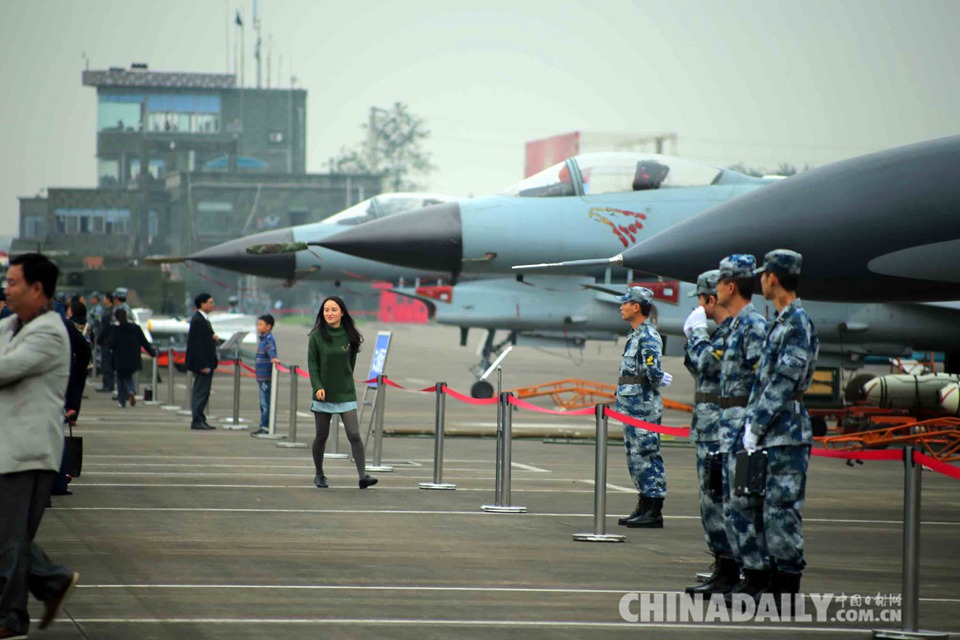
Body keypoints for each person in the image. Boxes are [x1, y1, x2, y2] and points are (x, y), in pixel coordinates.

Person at [0, 253, 80, 638]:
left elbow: (4, 369)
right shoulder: (11, 326)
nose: (6, 288)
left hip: (25, 452)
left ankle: (10, 616)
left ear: (37, 289)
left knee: (7, 539)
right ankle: (50, 581)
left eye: (14, 282)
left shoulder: (49, 331)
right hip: (7, 449)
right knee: (8, 536)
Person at [743, 250, 819, 609]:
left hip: (785, 429)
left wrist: (756, 426)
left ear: (773, 278)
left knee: (782, 509)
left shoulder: (796, 323)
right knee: (767, 509)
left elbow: (784, 381)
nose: (761, 280)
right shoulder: (782, 321)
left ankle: (786, 587)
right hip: (775, 430)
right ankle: (773, 579)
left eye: (764, 275)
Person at [710, 254, 769, 605]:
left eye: (720, 282)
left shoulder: (753, 327)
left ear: (731, 286)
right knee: (732, 505)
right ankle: (744, 573)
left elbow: (761, 380)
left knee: (746, 505)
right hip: (727, 427)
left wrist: (753, 427)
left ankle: (758, 577)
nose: (716, 288)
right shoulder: (735, 326)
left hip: (743, 427)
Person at [681, 270, 739, 594]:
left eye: (701, 302)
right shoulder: (717, 335)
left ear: (711, 300)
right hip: (707, 427)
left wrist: (699, 334)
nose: (698, 308)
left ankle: (731, 571)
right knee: (710, 503)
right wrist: (696, 338)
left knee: (720, 502)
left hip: (720, 430)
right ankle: (723, 567)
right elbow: (697, 368)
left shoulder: (730, 333)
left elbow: (711, 366)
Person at [615, 286, 672, 528]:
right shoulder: (635, 335)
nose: (621, 306)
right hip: (631, 406)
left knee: (648, 455)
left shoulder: (648, 335)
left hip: (643, 407)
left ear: (636, 307)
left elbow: (652, 371)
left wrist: (660, 378)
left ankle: (654, 508)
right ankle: (643, 504)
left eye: (625, 302)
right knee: (636, 457)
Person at [307, 296, 377, 489]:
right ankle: (319, 474)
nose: (329, 313)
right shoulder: (316, 337)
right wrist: (318, 386)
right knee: (322, 435)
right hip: (323, 393)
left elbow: (350, 364)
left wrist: (344, 381)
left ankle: (363, 476)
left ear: (342, 312)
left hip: (345, 392)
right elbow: (313, 365)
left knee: (354, 433)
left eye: (333, 310)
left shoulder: (350, 335)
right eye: (326, 310)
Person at [110, 308, 157, 408]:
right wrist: (152, 352)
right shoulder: (135, 328)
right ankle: (131, 390)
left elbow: (111, 344)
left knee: (120, 379)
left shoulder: (115, 329)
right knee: (128, 377)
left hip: (119, 358)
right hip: (133, 357)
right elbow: (144, 342)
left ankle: (121, 401)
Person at [185, 293, 218, 430]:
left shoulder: (204, 319)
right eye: (210, 302)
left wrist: (213, 338)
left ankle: (200, 418)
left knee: (204, 392)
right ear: (202, 304)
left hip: (208, 362)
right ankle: (197, 420)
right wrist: (202, 365)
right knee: (200, 391)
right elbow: (196, 345)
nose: (212, 304)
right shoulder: (198, 320)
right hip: (203, 364)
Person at [252, 314, 279, 436]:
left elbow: (271, 350)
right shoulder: (263, 339)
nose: (258, 327)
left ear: (269, 327)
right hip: (261, 377)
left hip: (265, 377)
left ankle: (265, 426)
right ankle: (264, 425)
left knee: (265, 403)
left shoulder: (268, 339)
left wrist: (273, 358)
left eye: (260, 324)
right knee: (263, 403)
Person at [96, 293, 116, 393]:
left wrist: (99, 338)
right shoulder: (111, 310)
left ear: (108, 299)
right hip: (109, 340)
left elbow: (105, 327)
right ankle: (108, 383)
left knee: (106, 363)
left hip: (106, 340)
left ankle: (107, 384)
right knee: (108, 363)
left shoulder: (108, 312)